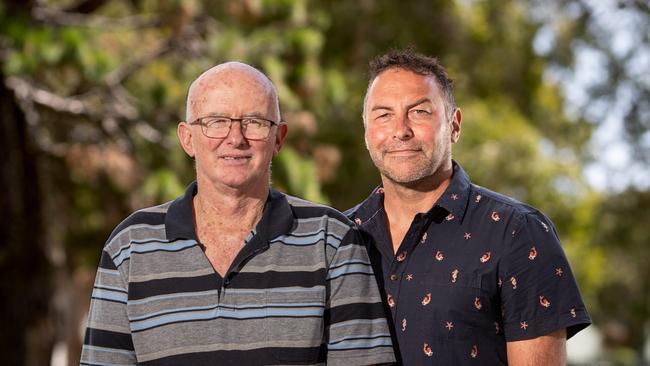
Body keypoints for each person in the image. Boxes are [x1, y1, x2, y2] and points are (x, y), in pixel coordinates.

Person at [80, 62, 395, 365]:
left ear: (279, 138)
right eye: (216, 121)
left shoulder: (332, 240)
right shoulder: (130, 247)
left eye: (254, 122)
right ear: (187, 138)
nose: (235, 138)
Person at [346, 49, 591, 365]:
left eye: (419, 112)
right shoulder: (338, 236)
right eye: (383, 114)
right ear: (366, 130)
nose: (400, 130)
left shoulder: (518, 232)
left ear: (454, 125)